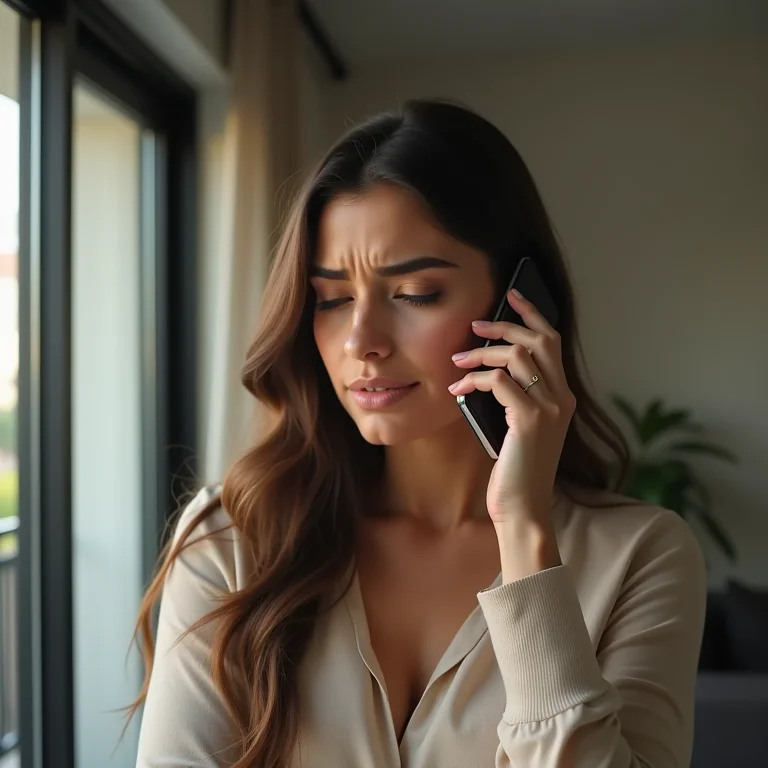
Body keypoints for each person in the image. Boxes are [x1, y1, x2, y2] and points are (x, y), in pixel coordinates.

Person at [129, 99, 706, 768]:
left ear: (520, 304)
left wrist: (522, 529)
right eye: (332, 297)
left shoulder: (642, 557)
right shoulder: (235, 538)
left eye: (416, 293)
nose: (361, 342)